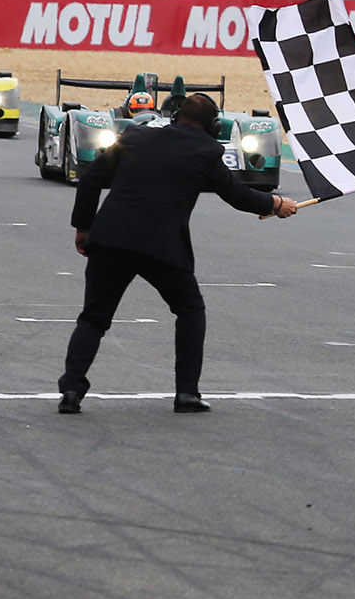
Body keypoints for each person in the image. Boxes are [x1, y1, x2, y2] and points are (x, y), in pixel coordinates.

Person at [58, 93, 299, 415]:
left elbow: (90, 180)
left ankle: (72, 390)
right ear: (214, 126)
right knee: (189, 310)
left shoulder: (135, 136)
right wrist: (276, 204)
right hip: (162, 246)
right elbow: (237, 195)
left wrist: (84, 228)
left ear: (174, 117)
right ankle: (186, 393)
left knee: (93, 318)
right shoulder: (207, 151)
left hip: (110, 239)